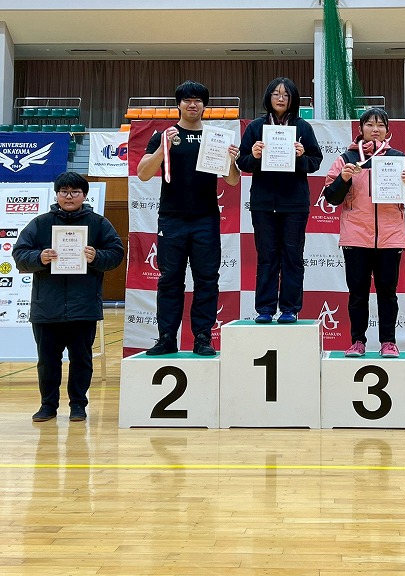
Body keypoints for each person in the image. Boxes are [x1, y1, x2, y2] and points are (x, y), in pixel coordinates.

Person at [138, 80, 240, 356]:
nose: (193, 104)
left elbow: (232, 181)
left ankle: (203, 338)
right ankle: (166, 337)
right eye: (187, 100)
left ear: (205, 106)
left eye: (198, 100)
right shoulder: (164, 135)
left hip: (206, 219)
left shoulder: (215, 137)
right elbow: (143, 173)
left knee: (207, 280)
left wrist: (232, 161)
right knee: (169, 279)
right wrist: (163, 148)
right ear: (179, 104)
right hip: (172, 219)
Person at [13, 172, 124, 422]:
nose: (69, 196)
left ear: (84, 196)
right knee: (47, 362)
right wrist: (39, 258)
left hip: (83, 306)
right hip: (47, 307)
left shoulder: (98, 223)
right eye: (64, 192)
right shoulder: (40, 223)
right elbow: (19, 254)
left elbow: (116, 254)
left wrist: (97, 257)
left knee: (81, 360)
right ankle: (48, 406)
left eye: (75, 192)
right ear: (57, 195)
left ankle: (78, 405)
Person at [323, 108, 405, 358]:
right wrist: (343, 178)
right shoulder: (347, 158)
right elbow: (331, 197)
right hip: (356, 236)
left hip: (390, 237)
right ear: (361, 129)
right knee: (357, 294)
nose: (375, 129)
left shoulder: (400, 159)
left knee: (387, 294)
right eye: (370, 124)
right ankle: (357, 341)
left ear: (387, 131)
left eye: (380, 125)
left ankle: (388, 342)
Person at [238, 77, 323, 323]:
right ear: (269, 97)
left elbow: (315, 163)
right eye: (276, 94)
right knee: (266, 257)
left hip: (295, 204)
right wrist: (254, 156)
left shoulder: (303, 127)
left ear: (293, 99)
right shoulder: (256, 127)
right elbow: (242, 163)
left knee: (292, 257)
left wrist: (301, 156)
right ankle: (264, 309)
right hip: (263, 203)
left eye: (286, 95)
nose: (281, 98)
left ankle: (289, 308)